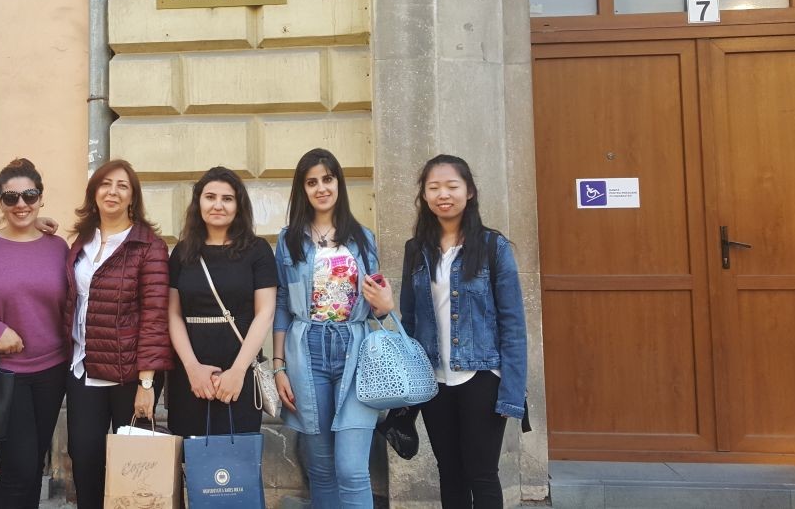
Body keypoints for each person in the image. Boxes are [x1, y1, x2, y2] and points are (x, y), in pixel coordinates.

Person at [399, 155, 528, 509]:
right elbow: (409, 322)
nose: (443, 194)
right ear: (424, 195)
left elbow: (513, 324)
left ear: (469, 191)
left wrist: (512, 392)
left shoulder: (492, 247)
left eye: (452, 186)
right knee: (450, 473)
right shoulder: (416, 250)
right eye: (434, 187)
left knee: (482, 473)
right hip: (434, 380)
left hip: (482, 376)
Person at [272, 148, 394, 509]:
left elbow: (377, 306)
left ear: (339, 182)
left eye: (327, 179)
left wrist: (386, 306)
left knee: (352, 470)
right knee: (322, 470)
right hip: (305, 351)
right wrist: (278, 367)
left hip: (355, 349)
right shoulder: (289, 240)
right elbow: (282, 303)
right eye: (312, 182)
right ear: (303, 190)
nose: (321, 188)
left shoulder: (363, 238)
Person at [62, 159, 173, 509]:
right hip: (83, 368)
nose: (113, 192)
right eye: (105, 184)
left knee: (133, 468)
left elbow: (155, 316)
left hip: (130, 377)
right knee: (84, 458)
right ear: (94, 192)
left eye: (122, 186)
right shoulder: (81, 242)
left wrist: (147, 384)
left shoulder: (148, 246)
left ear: (132, 197)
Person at [0, 158, 70, 509]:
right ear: (0, 202)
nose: (21, 204)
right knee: (18, 468)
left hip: (52, 371)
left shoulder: (58, 247)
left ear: (41, 198)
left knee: (34, 464)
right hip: (3, 374)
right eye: (11, 198)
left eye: (29, 195)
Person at [166, 166, 277, 436]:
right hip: (189, 373)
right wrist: (192, 368)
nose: (218, 205)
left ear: (239, 205)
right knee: (190, 454)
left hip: (240, 369)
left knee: (237, 456)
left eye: (227, 199)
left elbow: (265, 313)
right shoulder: (182, 252)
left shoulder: (258, 250)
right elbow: (172, 313)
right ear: (198, 203)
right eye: (210, 197)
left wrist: (237, 372)